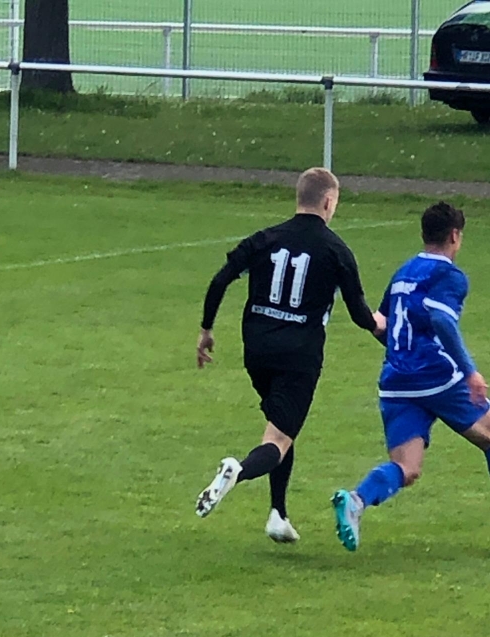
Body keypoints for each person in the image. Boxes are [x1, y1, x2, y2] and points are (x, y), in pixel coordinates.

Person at [195, 167, 381, 543]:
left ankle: (278, 515)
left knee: (281, 426)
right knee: (278, 439)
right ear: (328, 202)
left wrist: (207, 330)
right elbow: (360, 314)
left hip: (257, 350)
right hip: (299, 356)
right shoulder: (336, 250)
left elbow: (220, 279)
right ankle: (238, 470)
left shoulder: (265, 238)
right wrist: (385, 330)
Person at [332, 201, 490, 552]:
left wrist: (400, 352)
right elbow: (442, 319)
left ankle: (356, 500)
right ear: (455, 235)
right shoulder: (449, 276)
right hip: (436, 376)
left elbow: (380, 323)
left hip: (396, 383)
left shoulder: (404, 272)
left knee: (407, 467)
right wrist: (470, 372)